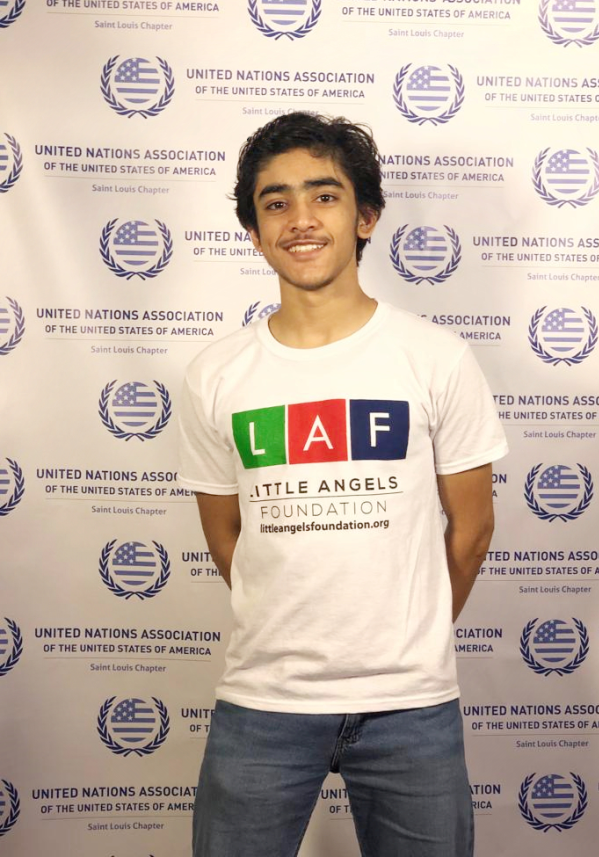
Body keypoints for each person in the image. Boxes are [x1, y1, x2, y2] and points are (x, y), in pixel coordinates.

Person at [177, 111, 508, 857]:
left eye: (323, 196)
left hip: (410, 708)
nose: (299, 219)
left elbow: (473, 528)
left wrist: (406, 628)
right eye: (275, 202)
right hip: (262, 701)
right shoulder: (216, 373)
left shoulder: (435, 358)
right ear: (253, 231)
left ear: (365, 217)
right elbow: (225, 534)